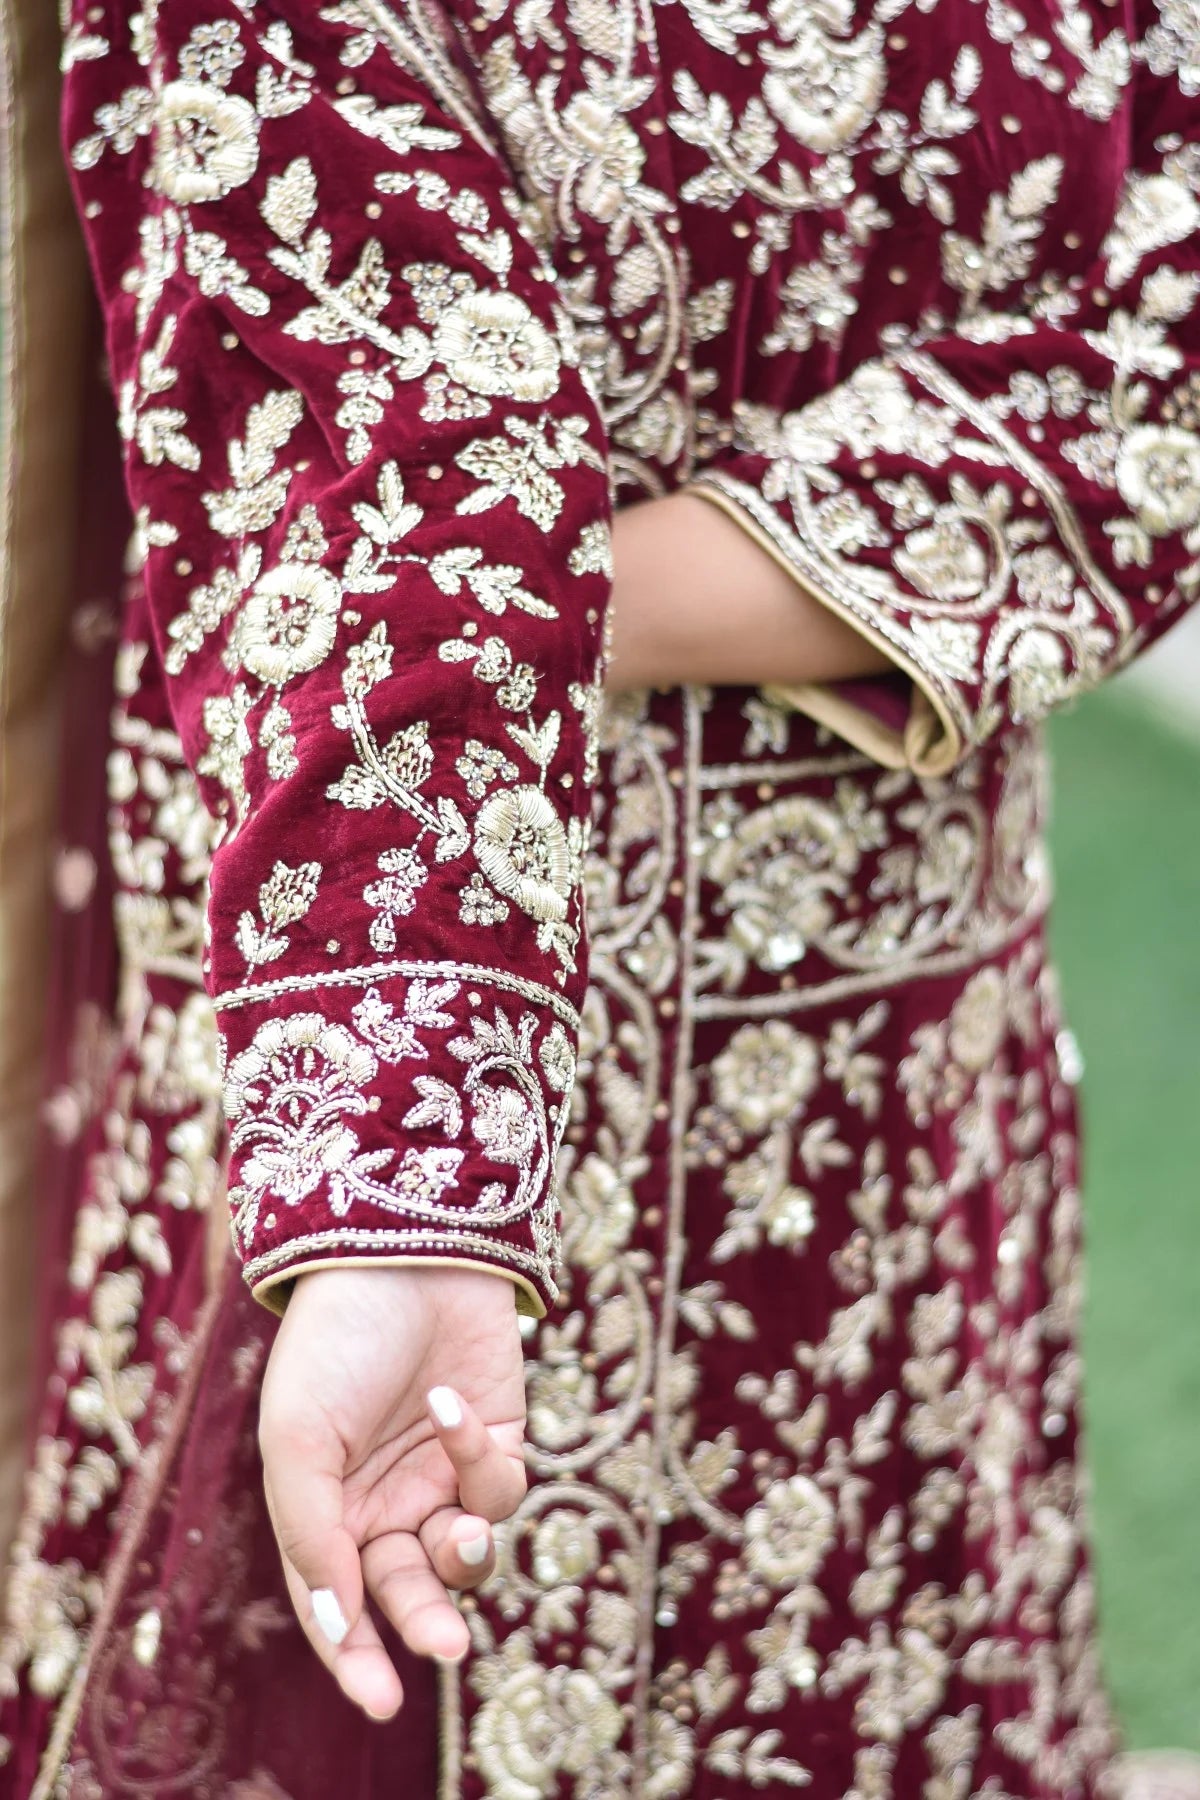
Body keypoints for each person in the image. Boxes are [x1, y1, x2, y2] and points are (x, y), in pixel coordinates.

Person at [0, 0, 1196, 1792]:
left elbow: (1154, 359)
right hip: (361, 953)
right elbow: (347, 405)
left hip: (885, 1035)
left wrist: (528, 583)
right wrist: (399, 1203)